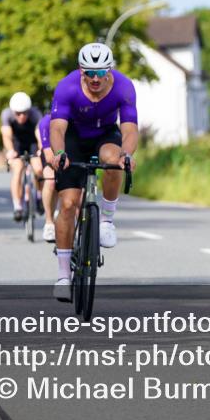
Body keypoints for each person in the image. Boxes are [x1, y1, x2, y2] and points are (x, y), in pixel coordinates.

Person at [49, 42, 138, 300]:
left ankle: (107, 219)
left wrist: (127, 154)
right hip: (74, 138)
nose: (96, 78)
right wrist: (59, 153)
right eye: (90, 72)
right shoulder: (67, 87)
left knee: (114, 160)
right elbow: (57, 128)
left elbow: (130, 130)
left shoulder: (124, 86)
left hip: (105, 136)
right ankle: (63, 275)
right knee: (68, 204)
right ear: (81, 70)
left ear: (110, 69)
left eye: (101, 72)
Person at [0, 92, 44, 221]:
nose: (22, 116)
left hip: (32, 143)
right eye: (18, 113)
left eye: (25, 112)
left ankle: (39, 196)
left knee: (39, 169)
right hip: (16, 144)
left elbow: (40, 134)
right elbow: (6, 135)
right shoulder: (7, 114)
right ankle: (17, 206)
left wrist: (42, 149)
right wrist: (10, 150)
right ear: (13, 111)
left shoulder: (36, 114)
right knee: (18, 169)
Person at [37, 112, 59, 243]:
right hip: (50, 154)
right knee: (51, 181)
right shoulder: (46, 122)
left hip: (71, 152)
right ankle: (49, 222)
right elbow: (49, 156)